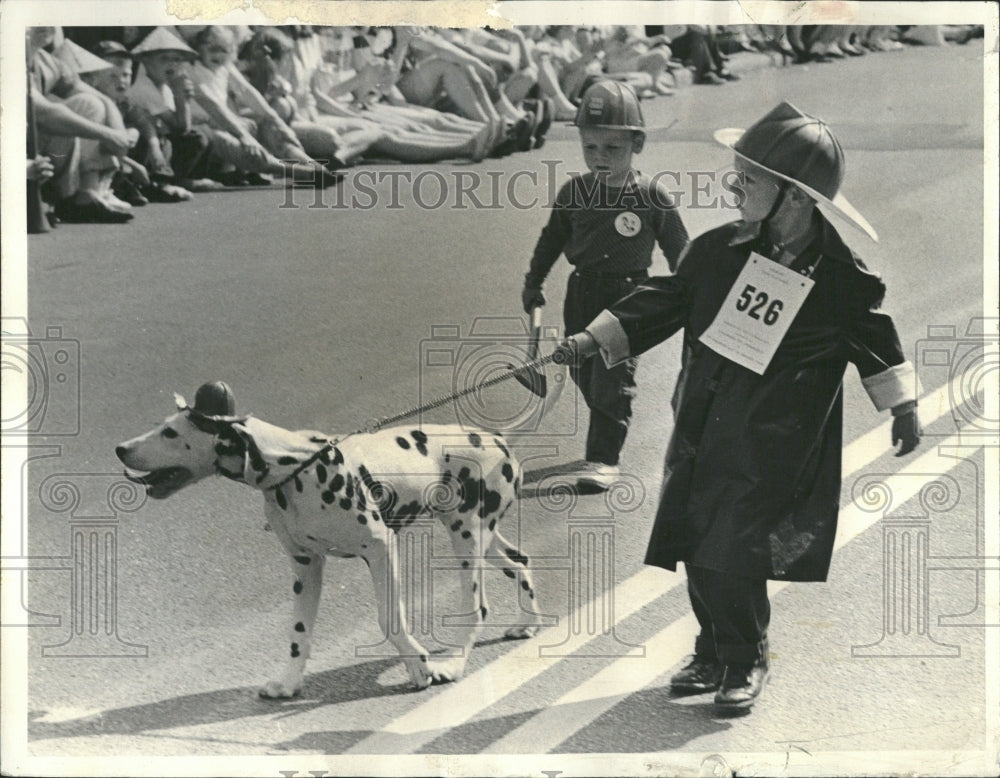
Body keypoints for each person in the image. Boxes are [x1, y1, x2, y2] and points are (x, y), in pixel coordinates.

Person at [557, 102, 922, 709]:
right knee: (696, 540)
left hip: (776, 438)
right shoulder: (717, 251)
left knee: (735, 547)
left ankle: (745, 657)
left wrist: (902, 406)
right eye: (738, 175)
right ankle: (711, 648)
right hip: (702, 419)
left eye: (748, 180)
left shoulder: (838, 275)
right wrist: (590, 339)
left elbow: (873, 338)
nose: (734, 187)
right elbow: (663, 300)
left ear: (797, 199)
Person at [521, 80, 689, 490]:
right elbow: (551, 241)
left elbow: (681, 251)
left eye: (612, 149)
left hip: (629, 298)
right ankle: (604, 438)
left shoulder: (652, 196)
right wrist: (533, 282)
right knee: (584, 373)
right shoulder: (574, 192)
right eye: (590, 147)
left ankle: (604, 459)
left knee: (612, 381)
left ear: (637, 144)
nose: (599, 157)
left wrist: (693, 294)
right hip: (582, 293)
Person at [28, 26, 136, 223]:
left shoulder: (45, 60)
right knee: (68, 117)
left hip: (33, 149)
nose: (43, 25)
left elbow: (100, 98)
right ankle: (58, 199)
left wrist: (119, 135)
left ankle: (87, 195)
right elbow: (46, 114)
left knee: (89, 103)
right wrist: (109, 135)